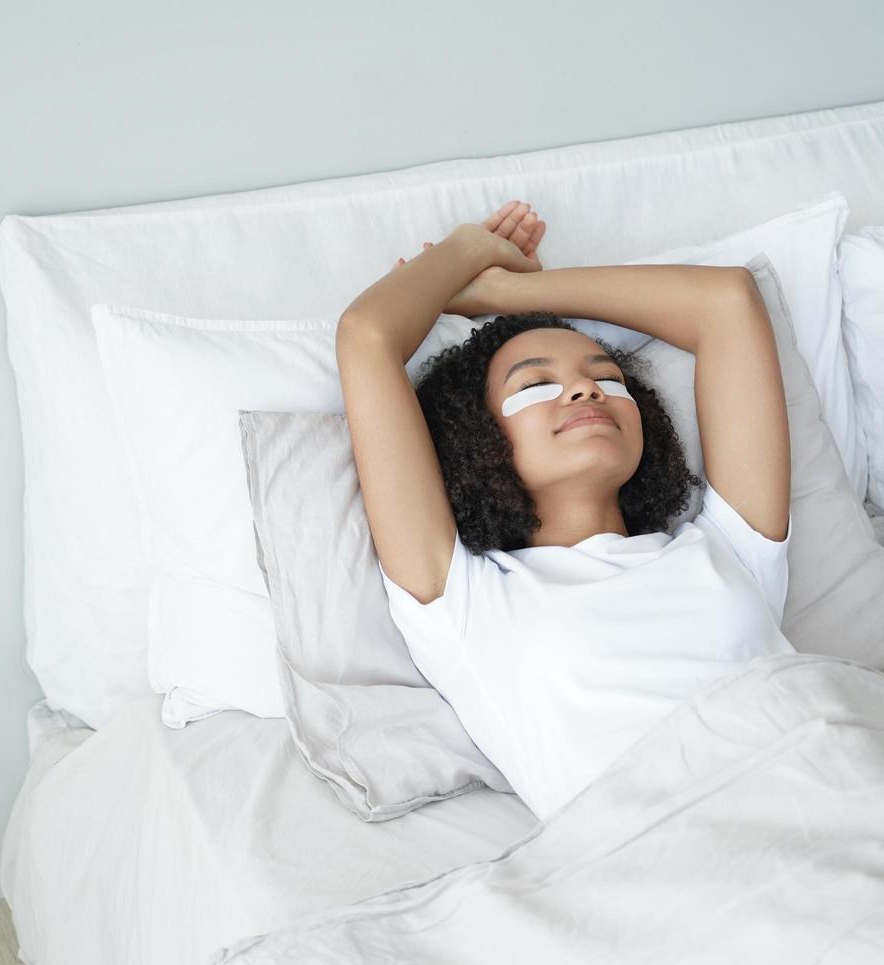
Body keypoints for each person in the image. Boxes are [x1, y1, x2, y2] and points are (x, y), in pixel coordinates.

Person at [336, 200, 796, 820]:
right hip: (670, 855)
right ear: (479, 438)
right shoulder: (465, 604)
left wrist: (503, 292)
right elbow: (366, 338)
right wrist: (468, 250)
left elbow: (728, 302)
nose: (586, 390)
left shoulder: (730, 549)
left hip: (827, 780)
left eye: (608, 379)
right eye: (535, 385)